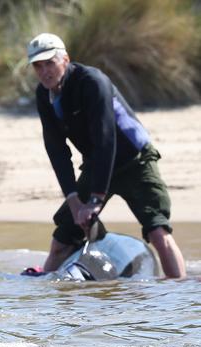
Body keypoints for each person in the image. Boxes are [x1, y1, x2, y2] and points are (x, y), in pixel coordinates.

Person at [27, 33, 186, 278]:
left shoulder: (92, 81)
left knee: (157, 231)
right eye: (38, 65)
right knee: (62, 239)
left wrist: (95, 199)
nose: (45, 71)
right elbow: (57, 151)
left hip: (135, 161)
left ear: (66, 60)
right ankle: (46, 285)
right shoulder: (43, 95)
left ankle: (178, 294)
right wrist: (74, 201)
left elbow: (105, 139)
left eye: (50, 62)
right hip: (97, 165)